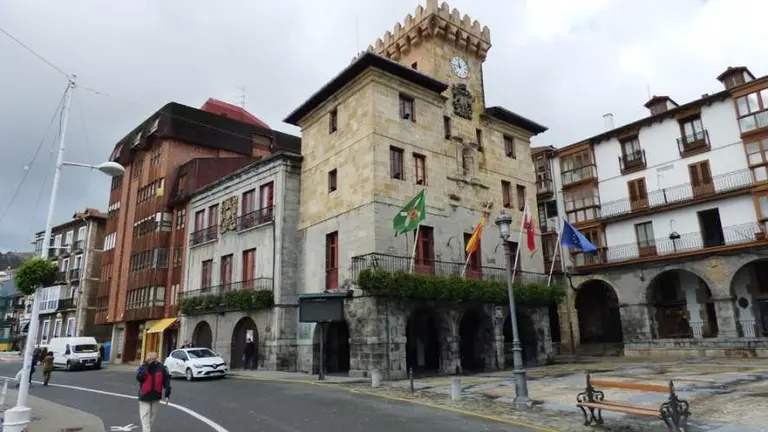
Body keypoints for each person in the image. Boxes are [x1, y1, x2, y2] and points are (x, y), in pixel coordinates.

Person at [136, 352, 171, 432]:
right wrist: (147, 367)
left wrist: (167, 394)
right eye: (150, 358)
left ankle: (147, 429)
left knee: (152, 415)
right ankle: (146, 430)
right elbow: (139, 378)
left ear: (156, 359)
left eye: (154, 358)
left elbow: (166, 381)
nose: (152, 360)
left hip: (155, 396)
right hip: (144, 396)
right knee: (145, 415)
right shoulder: (143, 367)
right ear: (147, 358)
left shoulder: (161, 367)